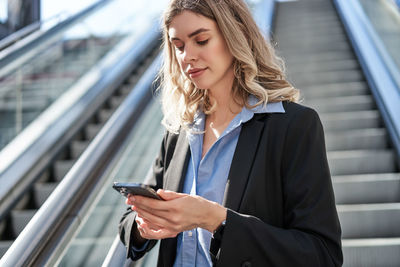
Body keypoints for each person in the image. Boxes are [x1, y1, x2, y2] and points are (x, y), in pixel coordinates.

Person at [119, 0, 343, 266]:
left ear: (235, 35)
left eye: (200, 40)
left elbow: (322, 255)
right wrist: (143, 225)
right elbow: (128, 222)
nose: (187, 56)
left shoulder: (292, 127)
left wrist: (215, 219)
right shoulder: (179, 131)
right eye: (178, 46)